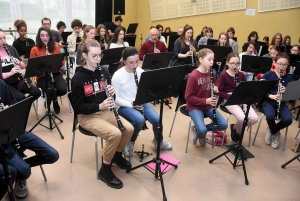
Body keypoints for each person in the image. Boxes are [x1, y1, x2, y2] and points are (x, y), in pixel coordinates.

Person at [71, 38, 133, 189]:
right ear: (85, 55)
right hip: (87, 116)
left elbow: (111, 98)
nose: (98, 59)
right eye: (94, 56)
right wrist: (99, 105)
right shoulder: (77, 78)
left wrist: (112, 94)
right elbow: (78, 107)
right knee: (115, 134)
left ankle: (116, 155)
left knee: (129, 129)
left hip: (104, 110)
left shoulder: (103, 71)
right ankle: (105, 170)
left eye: (100, 55)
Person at [0, 79, 59, 199]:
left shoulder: (1, 84)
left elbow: (14, 107)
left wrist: (8, 111)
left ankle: (18, 167)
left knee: (52, 155)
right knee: (23, 170)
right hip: (2, 140)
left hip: (14, 131)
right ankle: (19, 172)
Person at [112, 47, 172, 158]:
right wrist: (132, 105)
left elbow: (147, 90)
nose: (135, 65)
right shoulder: (117, 75)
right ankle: (129, 142)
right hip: (123, 105)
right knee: (139, 120)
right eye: (131, 63)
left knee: (157, 120)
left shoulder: (141, 72)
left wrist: (144, 99)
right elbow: (115, 98)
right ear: (124, 61)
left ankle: (159, 140)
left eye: (136, 62)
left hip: (140, 102)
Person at [185, 48, 228, 147]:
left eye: (213, 59)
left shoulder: (211, 73)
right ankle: (201, 132)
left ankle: (198, 130)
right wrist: (206, 101)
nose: (212, 62)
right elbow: (188, 97)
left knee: (223, 124)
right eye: (209, 60)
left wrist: (216, 88)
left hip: (208, 106)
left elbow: (215, 84)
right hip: (194, 106)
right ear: (200, 59)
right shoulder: (193, 76)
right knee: (203, 130)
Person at [218, 52, 258, 142]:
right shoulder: (224, 75)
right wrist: (231, 96)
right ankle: (238, 134)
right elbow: (220, 92)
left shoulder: (241, 75)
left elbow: (245, 89)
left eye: (237, 63)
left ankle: (235, 127)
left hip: (241, 98)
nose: (235, 66)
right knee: (242, 118)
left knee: (254, 118)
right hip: (229, 99)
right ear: (227, 63)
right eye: (232, 63)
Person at [30, 27, 67, 114]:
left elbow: (62, 64)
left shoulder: (56, 47)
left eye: (47, 35)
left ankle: (50, 99)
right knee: (51, 90)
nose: (45, 38)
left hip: (55, 73)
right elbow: (33, 67)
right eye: (42, 35)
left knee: (63, 89)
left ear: (50, 37)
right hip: (42, 76)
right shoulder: (34, 49)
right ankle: (54, 101)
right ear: (39, 37)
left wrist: (54, 60)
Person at [261, 53, 293, 149]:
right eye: (280, 64)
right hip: (268, 101)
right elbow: (260, 89)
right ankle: (275, 132)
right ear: (274, 62)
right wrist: (270, 95)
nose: (282, 66)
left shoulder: (288, 78)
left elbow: (291, 96)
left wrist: (286, 91)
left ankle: (272, 130)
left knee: (288, 119)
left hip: (281, 103)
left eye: (285, 65)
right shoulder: (268, 75)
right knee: (270, 116)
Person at [0, 28, 41, 102]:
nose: (4, 41)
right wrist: (10, 73)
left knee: (37, 92)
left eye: (4, 38)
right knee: (21, 98)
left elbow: (22, 66)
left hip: (17, 81)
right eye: (0, 39)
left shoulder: (10, 48)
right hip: (5, 84)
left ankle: (25, 105)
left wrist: (19, 62)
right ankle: (22, 106)